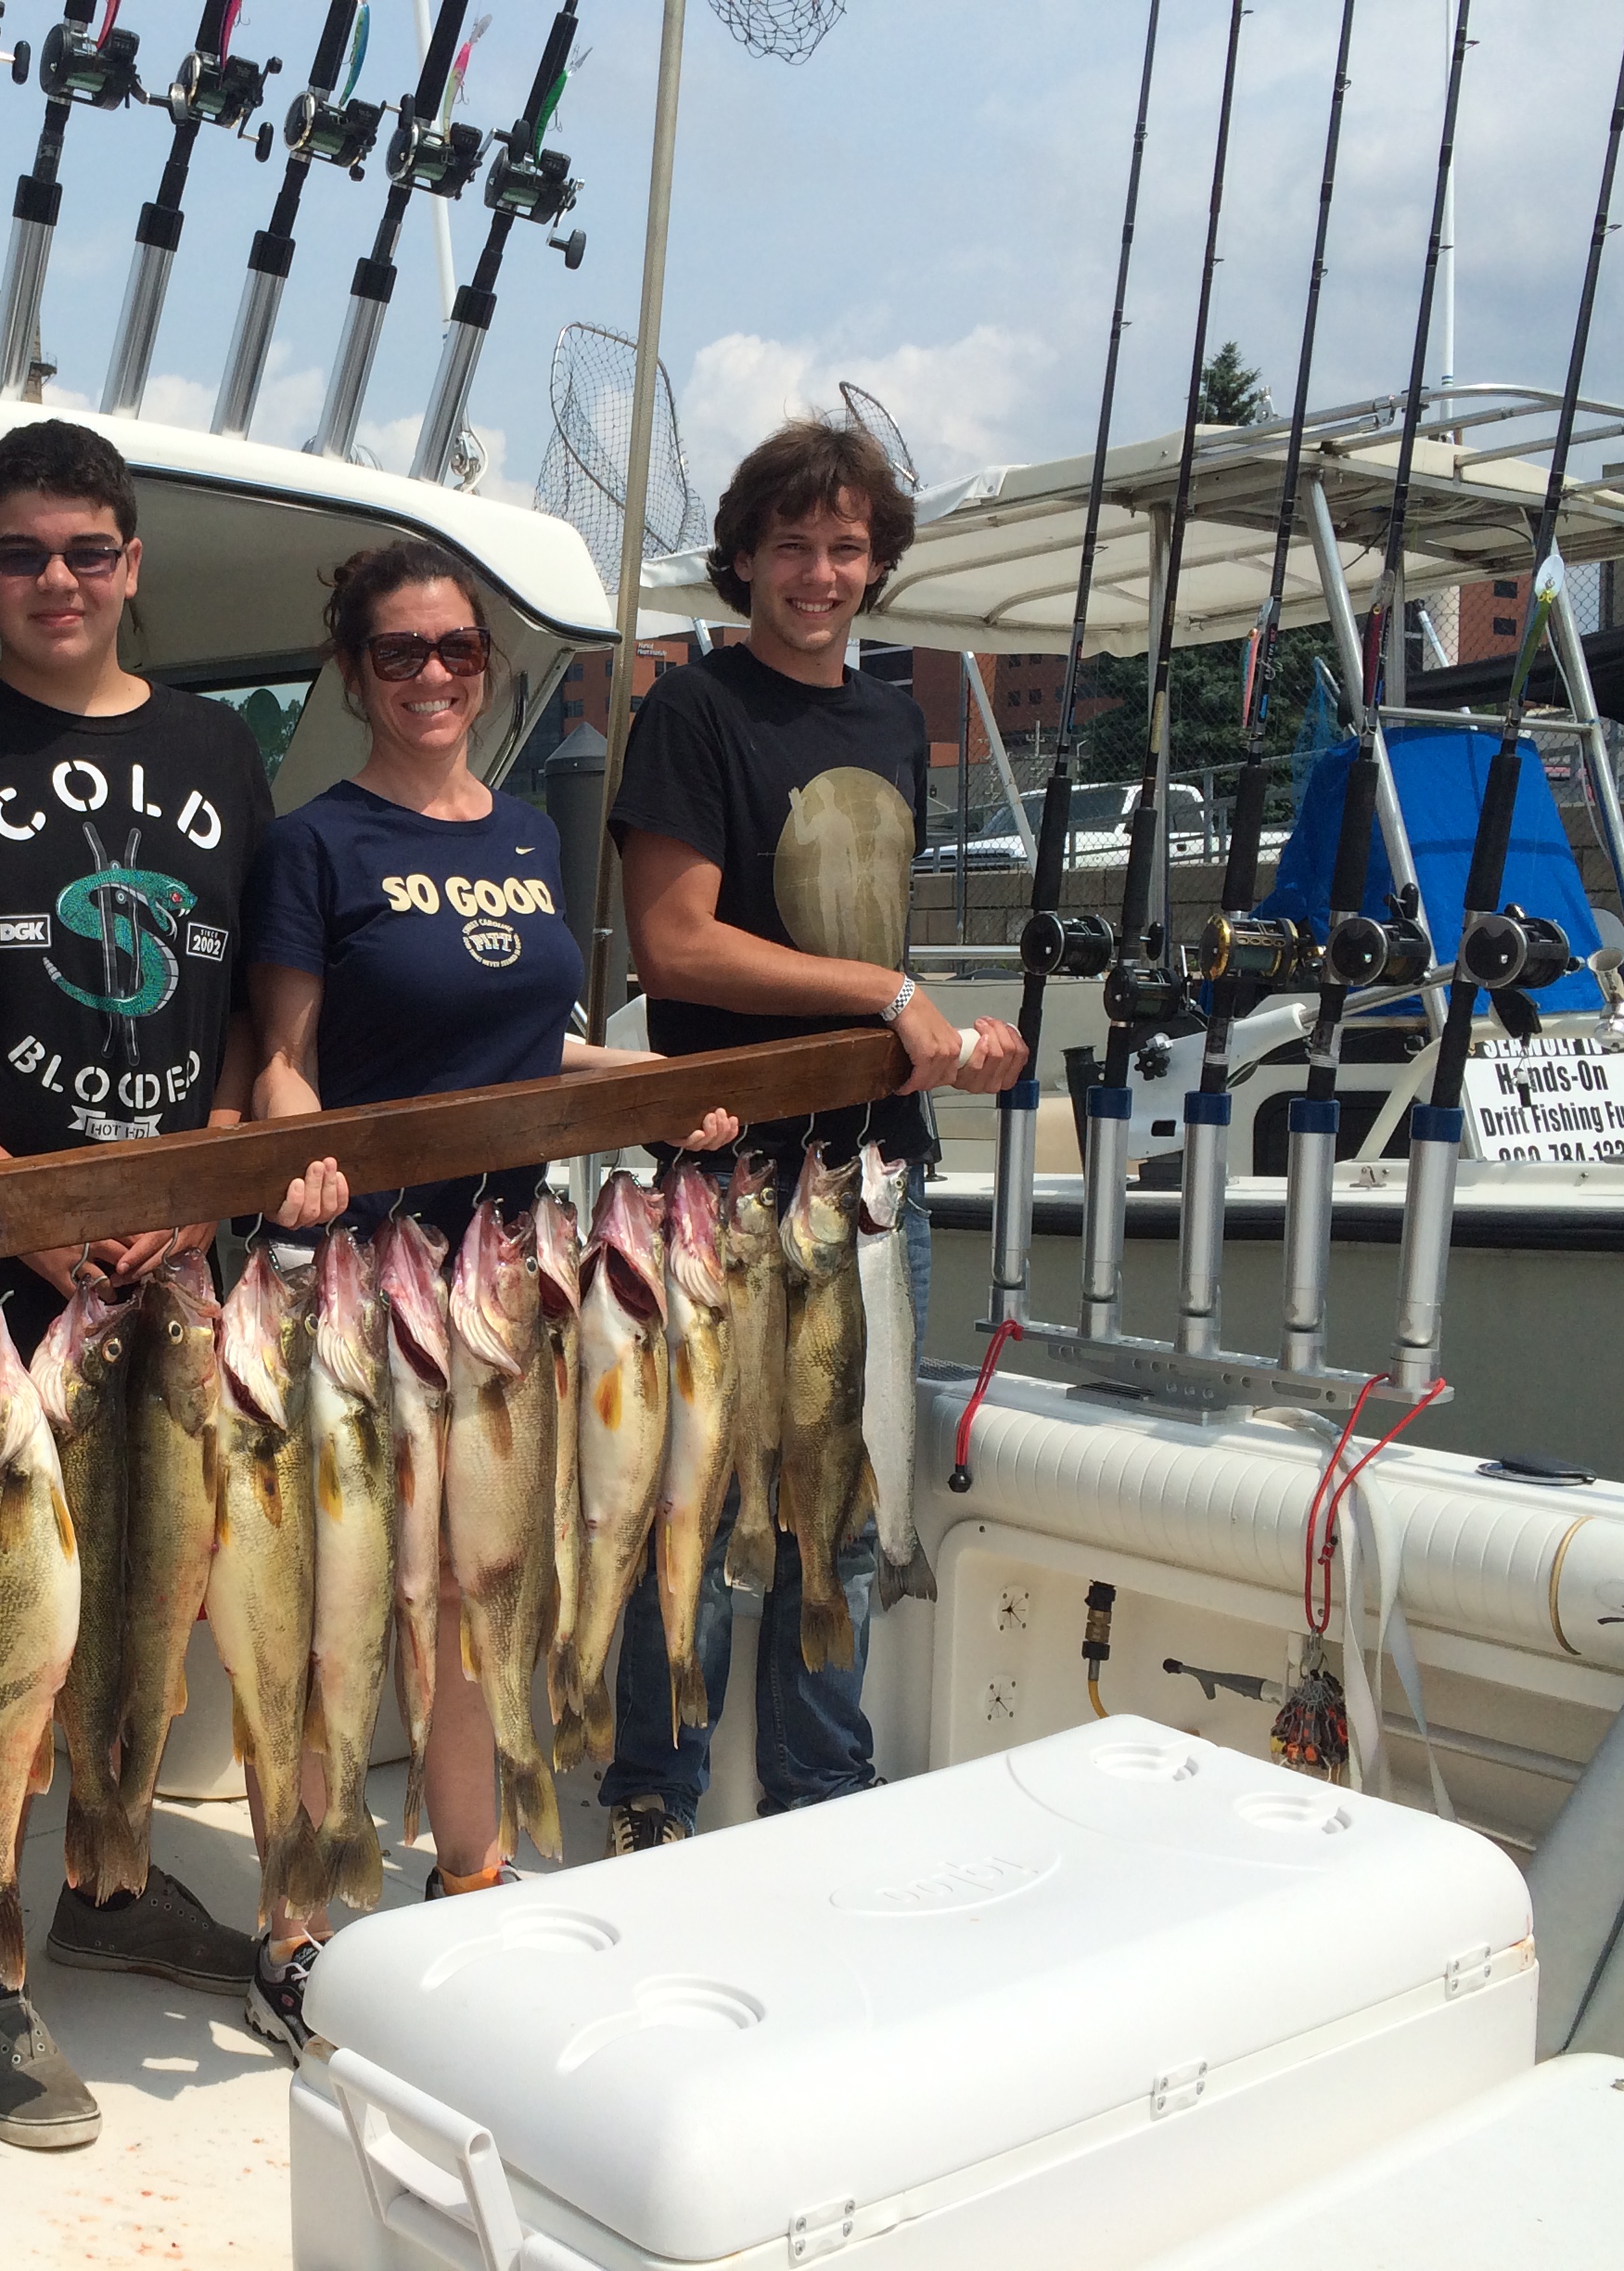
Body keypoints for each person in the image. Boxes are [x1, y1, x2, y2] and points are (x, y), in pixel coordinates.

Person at [0, 417, 338, 2151]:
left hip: (161, 1279)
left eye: (91, 552)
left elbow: (243, 1011)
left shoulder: (220, 748)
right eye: (27, 553)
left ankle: (113, 1887)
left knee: (152, 1610)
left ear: (135, 568)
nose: (61, 581)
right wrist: (1, 1205)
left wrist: (197, 1178)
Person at [240, 539, 742, 2059]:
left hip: (505, 1283)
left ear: (493, 668)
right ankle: (299, 1925)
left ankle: (471, 1871)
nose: (436, 675)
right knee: (333, 1615)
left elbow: (537, 1051)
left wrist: (643, 1087)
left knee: (475, 1602)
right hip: (358, 1298)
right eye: (401, 653)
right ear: (355, 673)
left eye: (461, 650)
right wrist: (294, 1151)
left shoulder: (529, 838)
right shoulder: (315, 844)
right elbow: (281, 1062)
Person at [599, 417, 1027, 1846]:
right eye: (794, 545)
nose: (822, 573)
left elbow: (855, 951)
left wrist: (950, 1049)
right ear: (742, 559)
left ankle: (821, 1797)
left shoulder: (893, 716)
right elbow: (678, 949)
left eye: (848, 547)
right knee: (701, 1511)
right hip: (725, 1188)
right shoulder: (692, 714)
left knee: (837, 1503)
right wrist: (892, 991)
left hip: (874, 1184)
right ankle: (651, 1801)